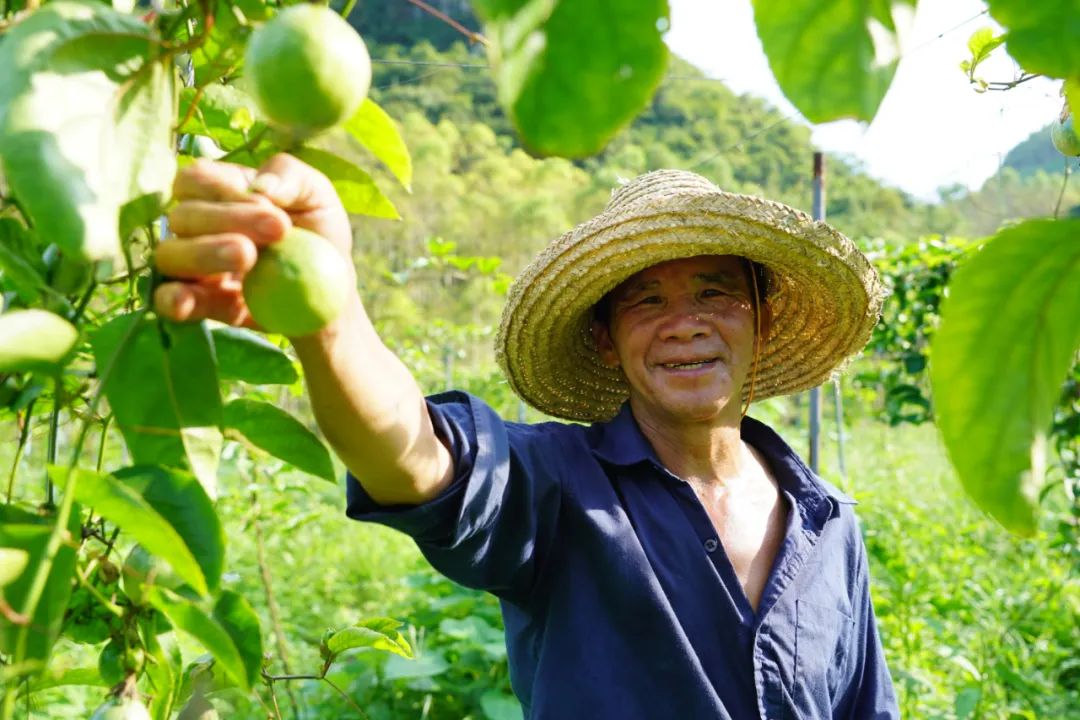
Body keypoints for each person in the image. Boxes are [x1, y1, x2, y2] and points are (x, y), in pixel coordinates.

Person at [156, 156, 900, 719]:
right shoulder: (557, 486)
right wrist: (328, 315)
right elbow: (414, 458)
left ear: (761, 322)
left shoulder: (827, 522)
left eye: (715, 292)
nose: (685, 323)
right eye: (646, 301)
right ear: (606, 340)